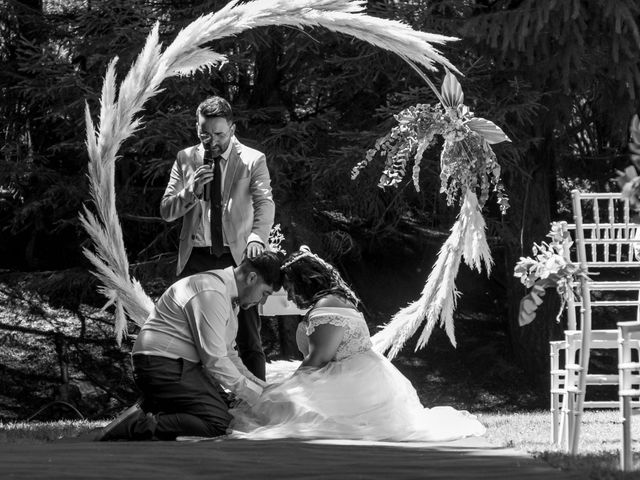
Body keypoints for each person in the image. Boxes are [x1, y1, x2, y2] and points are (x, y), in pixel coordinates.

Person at [229, 247, 486, 441]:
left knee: (278, 402)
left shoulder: (326, 306)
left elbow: (317, 360)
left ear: (302, 282)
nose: (289, 295)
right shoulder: (333, 300)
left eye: (288, 287)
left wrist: (281, 390)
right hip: (354, 373)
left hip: (351, 381)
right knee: (273, 389)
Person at [96, 251, 283, 441]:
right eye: (265, 293)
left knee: (228, 412)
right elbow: (215, 360)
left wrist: (261, 386)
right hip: (162, 365)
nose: (262, 301)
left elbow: (228, 354)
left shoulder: (224, 293)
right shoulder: (212, 292)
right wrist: (255, 395)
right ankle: (136, 425)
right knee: (219, 423)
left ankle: (150, 408)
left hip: (172, 364)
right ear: (252, 277)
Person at [160, 95, 274, 381]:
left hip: (238, 258)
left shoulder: (252, 159)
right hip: (196, 257)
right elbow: (166, 211)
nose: (211, 141)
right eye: (204, 134)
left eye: (219, 134)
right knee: (186, 335)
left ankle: (258, 404)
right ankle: (195, 400)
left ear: (232, 129)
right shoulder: (185, 158)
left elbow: (265, 203)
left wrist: (257, 237)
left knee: (249, 338)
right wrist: (192, 191)